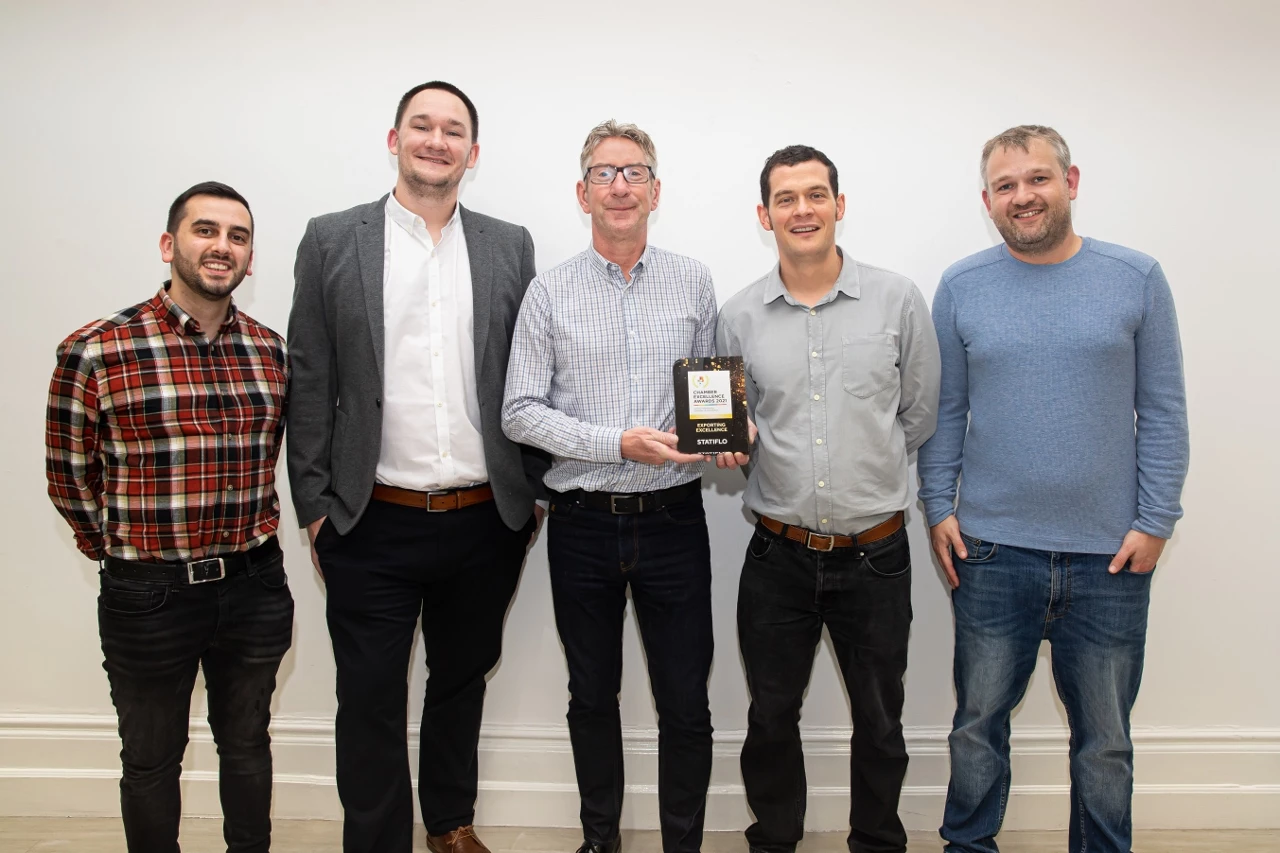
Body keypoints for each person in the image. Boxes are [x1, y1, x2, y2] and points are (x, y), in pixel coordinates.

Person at [286, 81, 547, 853]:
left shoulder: (509, 243)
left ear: (474, 151)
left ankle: (449, 822)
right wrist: (313, 503)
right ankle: (375, 840)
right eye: (422, 125)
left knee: (460, 680)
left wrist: (528, 493)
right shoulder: (333, 238)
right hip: (369, 517)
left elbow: (527, 374)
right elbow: (311, 376)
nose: (437, 140)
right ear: (394, 138)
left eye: (453, 129)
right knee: (368, 694)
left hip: (484, 518)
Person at [917, 125, 1190, 853]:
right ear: (987, 201)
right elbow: (945, 412)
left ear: (1071, 183)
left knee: (1104, 742)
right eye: (1005, 186)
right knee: (977, 727)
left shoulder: (1135, 277)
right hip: (992, 549)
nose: (1022, 196)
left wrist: (1157, 518)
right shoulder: (961, 286)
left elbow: (1163, 408)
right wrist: (938, 505)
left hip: (1110, 556)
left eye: (1037, 179)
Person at [45, 181, 292, 853]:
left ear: (249, 258)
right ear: (169, 244)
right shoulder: (98, 349)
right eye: (205, 230)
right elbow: (68, 476)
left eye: (237, 236)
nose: (222, 246)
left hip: (254, 586)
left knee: (247, 744)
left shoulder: (272, 353)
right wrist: (123, 549)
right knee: (151, 757)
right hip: (149, 593)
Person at [715, 145, 940, 853]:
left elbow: (919, 414)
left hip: (876, 556)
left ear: (840, 205)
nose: (802, 209)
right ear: (764, 214)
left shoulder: (897, 298)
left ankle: (876, 840)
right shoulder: (738, 316)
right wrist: (732, 441)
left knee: (881, 719)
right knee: (771, 715)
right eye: (786, 198)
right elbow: (733, 423)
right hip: (777, 556)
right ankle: (774, 839)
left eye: (816, 195)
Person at [502, 120, 717, 853]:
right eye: (603, 172)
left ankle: (681, 843)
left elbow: (712, 390)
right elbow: (520, 410)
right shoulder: (549, 291)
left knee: (686, 701)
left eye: (634, 172)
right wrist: (612, 443)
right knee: (591, 696)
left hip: (674, 521)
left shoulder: (693, 280)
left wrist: (722, 438)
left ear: (656, 190)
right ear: (581, 192)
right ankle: (601, 840)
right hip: (583, 522)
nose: (619, 185)